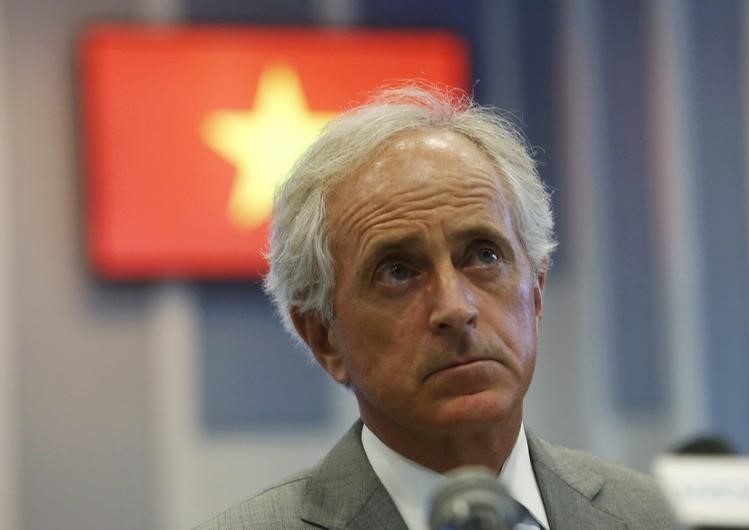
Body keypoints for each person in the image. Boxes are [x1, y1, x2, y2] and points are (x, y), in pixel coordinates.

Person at [197, 84, 678, 529]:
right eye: (397, 272)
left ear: (536, 290)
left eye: (484, 255)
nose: (455, 307)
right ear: (324, 337)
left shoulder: (655, 518)